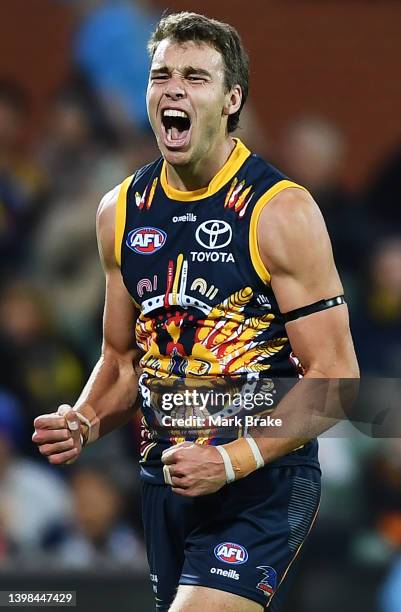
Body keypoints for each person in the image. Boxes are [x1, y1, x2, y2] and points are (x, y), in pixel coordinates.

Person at [33, 12, 359, 612]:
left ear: (233, 99)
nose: (174, 89)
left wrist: (231, 460)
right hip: (165, 482)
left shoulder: (281, 211)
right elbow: (122, 358)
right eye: (161, 75)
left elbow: (336, 378)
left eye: (195, 76)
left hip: (262, 483)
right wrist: (83, 419)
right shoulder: (121, 210)